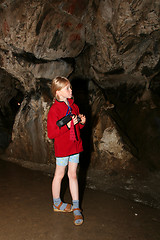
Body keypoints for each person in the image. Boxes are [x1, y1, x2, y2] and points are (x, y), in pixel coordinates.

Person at [47, 76, 86, 226]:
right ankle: (57, 203)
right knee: (59, 174)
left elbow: (77, 127)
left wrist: (81, 123)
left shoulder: (73, 106)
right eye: (67, 88)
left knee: (73, 175)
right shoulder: (54, 110)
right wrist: (67, 127)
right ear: (58, 92)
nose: (71, 90)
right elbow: (51, 133)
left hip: (75, 145)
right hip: (63, 148)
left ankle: (76, 207)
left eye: (70, 87)